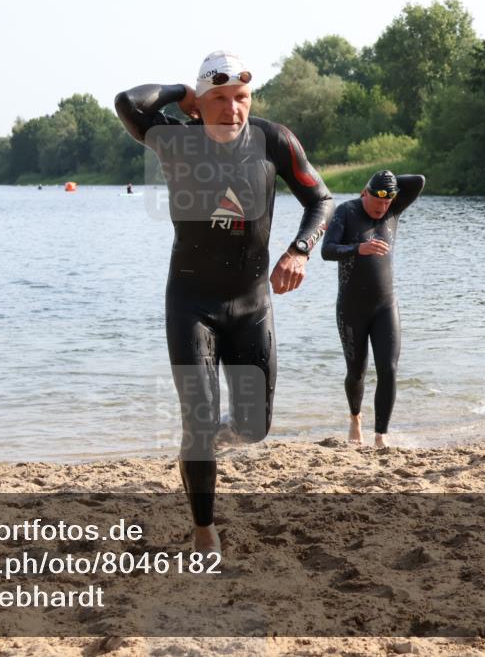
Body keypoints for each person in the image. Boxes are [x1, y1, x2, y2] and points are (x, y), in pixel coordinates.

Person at [115, 50, 332, 553]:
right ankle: (204, 531)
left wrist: (299, 251)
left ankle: (208, 446)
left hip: (252, 303)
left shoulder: (273, 139)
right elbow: (129, 103)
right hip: (191, 302)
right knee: (199, 419)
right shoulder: (176, 140)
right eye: (219, 99)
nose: (232, 109)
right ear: (200, 103)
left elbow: (320, 199)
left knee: (255, 428)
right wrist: (179, 94)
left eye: (241, 98)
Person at [320, 170, 425, 448]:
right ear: (364, 194)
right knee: (356, 371)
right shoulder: (346, 212)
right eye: (376, 203)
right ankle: (355, 417)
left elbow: (418, 181)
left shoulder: (393, 210)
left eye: (386, 203)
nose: (381, 210)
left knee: (388, 369)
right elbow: (327, 250)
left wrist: (387, 182)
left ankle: (381, 434)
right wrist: (359, 248)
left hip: (385, 305)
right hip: (352, 308)